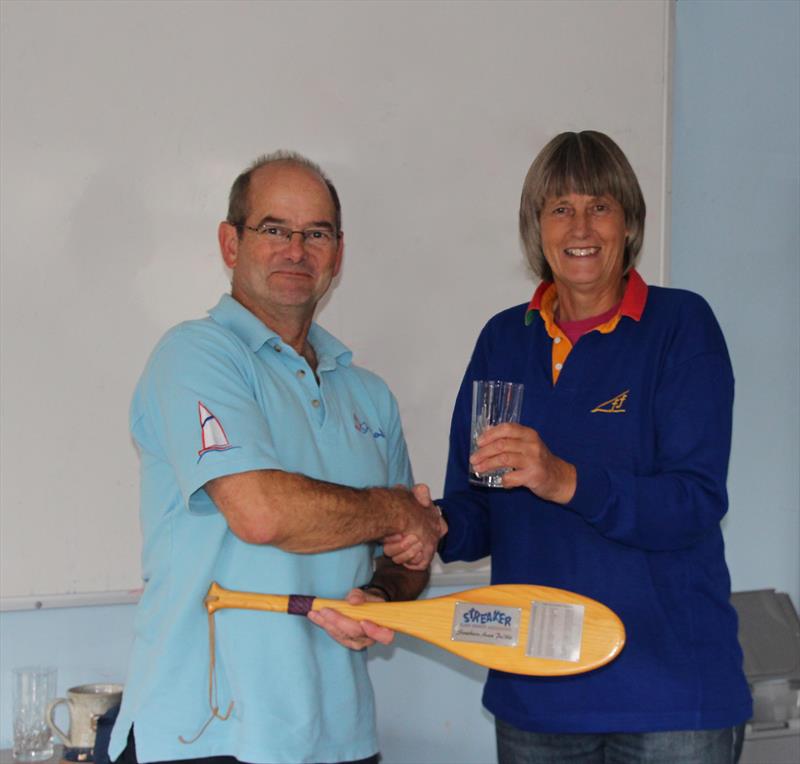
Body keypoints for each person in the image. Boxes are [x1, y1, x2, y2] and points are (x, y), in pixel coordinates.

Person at [388, 131, 752, 763]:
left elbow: (693, 502)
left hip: (672, 698)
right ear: (537, 227)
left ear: (630, 222)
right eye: (560, 208)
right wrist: (432, 525)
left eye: (599, 206)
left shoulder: (681, 327)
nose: (580, 225)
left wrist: (563, 479)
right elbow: (478, 509)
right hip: (536, 695)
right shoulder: (503, 339)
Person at [108, 151, 444, 764]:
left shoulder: (369, 393)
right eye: (274, 229)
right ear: (230, 243)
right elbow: (261, 514)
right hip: (206, 734)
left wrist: (385, 593)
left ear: (338, 254)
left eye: (316, 233)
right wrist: (396, 509)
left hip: (341, 737)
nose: (297, 249)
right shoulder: (193, 356)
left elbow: (407, 553)